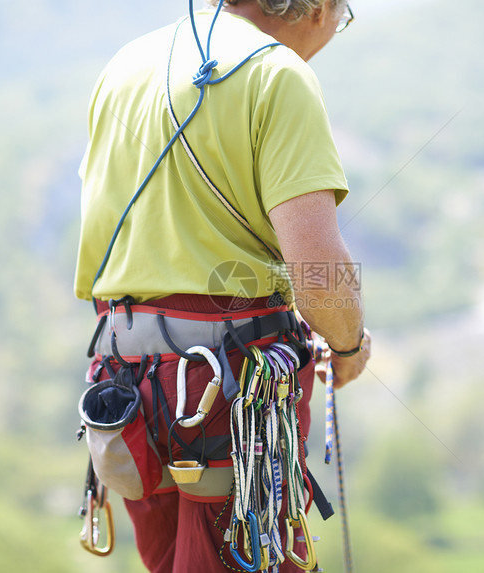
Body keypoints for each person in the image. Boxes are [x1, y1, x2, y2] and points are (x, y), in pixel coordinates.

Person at [73, 1, 369, 571]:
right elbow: (318, 274)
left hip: (124, 386)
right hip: (230, 392)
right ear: (316, 7)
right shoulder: (277, 73)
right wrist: (350, 344)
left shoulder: (125, 65)